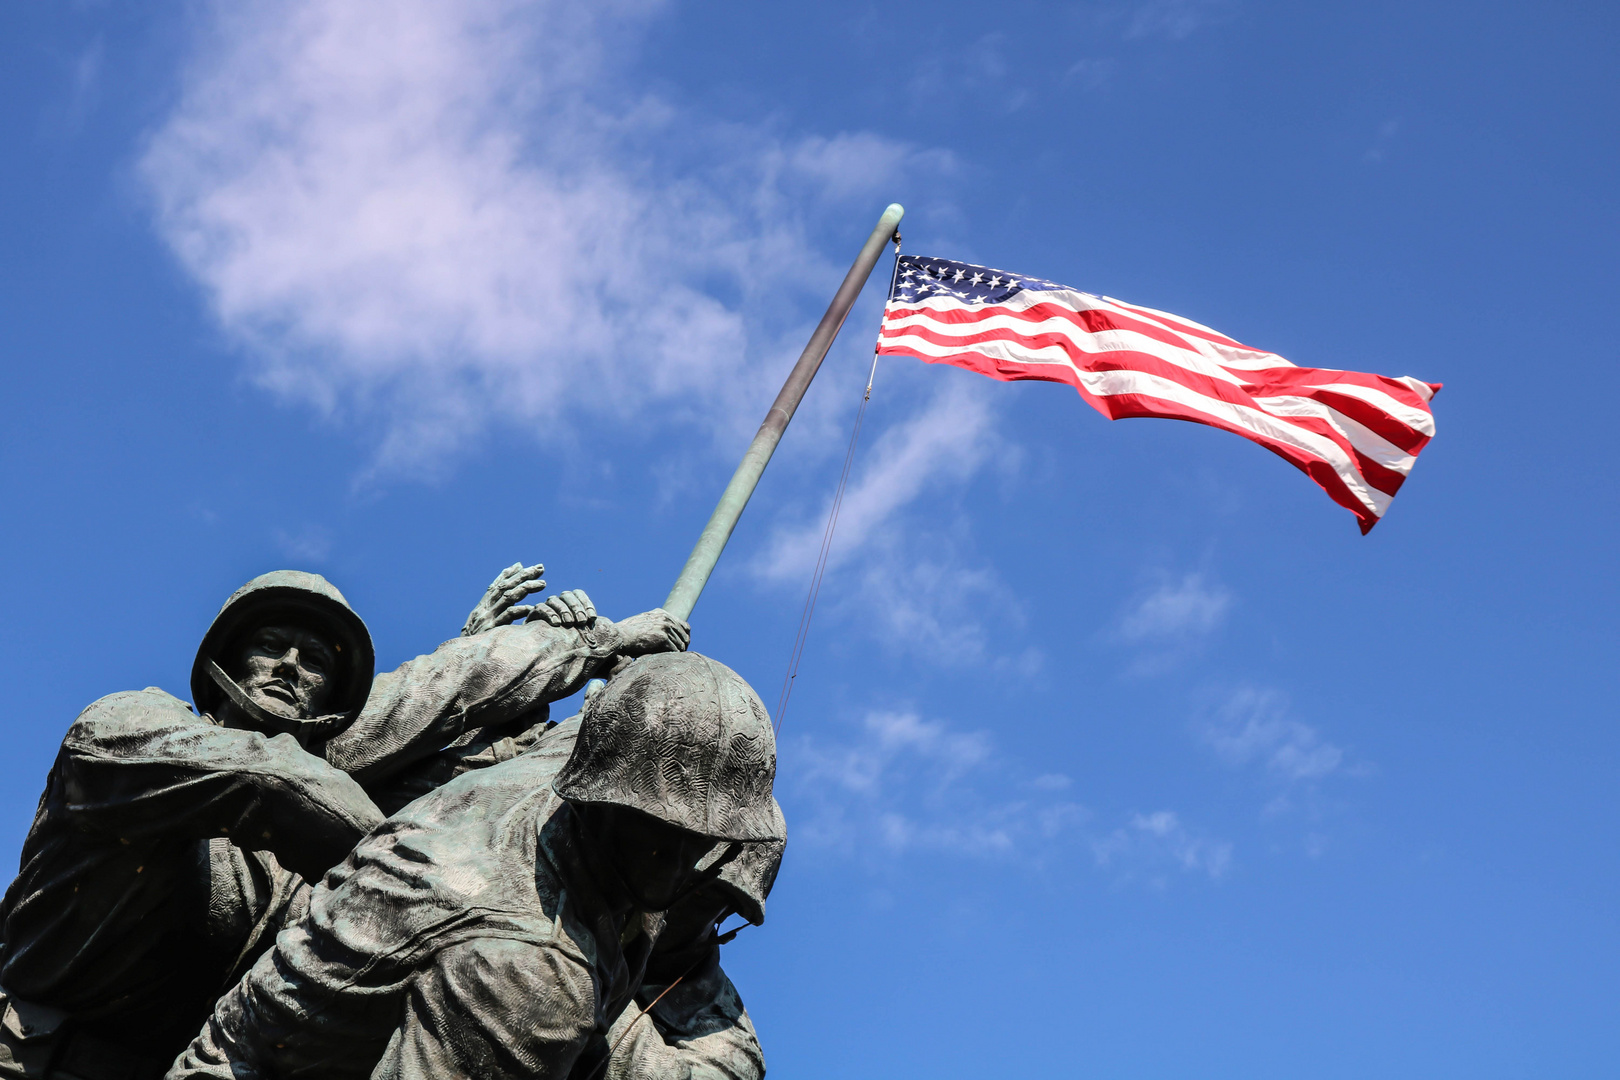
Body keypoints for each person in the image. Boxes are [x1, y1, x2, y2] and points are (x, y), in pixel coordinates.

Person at [0, 568, 687, 1079]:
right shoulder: (125, 730)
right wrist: (416, 872)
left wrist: (596, 667)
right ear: (224, 663)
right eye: (271, 644)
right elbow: (271, 780)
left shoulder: (317, 810)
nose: (292, 665)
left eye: (317, 661)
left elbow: (435, 707)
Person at [170, 651, 784, 1080]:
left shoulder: (546, 780)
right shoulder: (533, 971)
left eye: (701, 840)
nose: (675, 866)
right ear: (598, 796)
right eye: (651, 829)